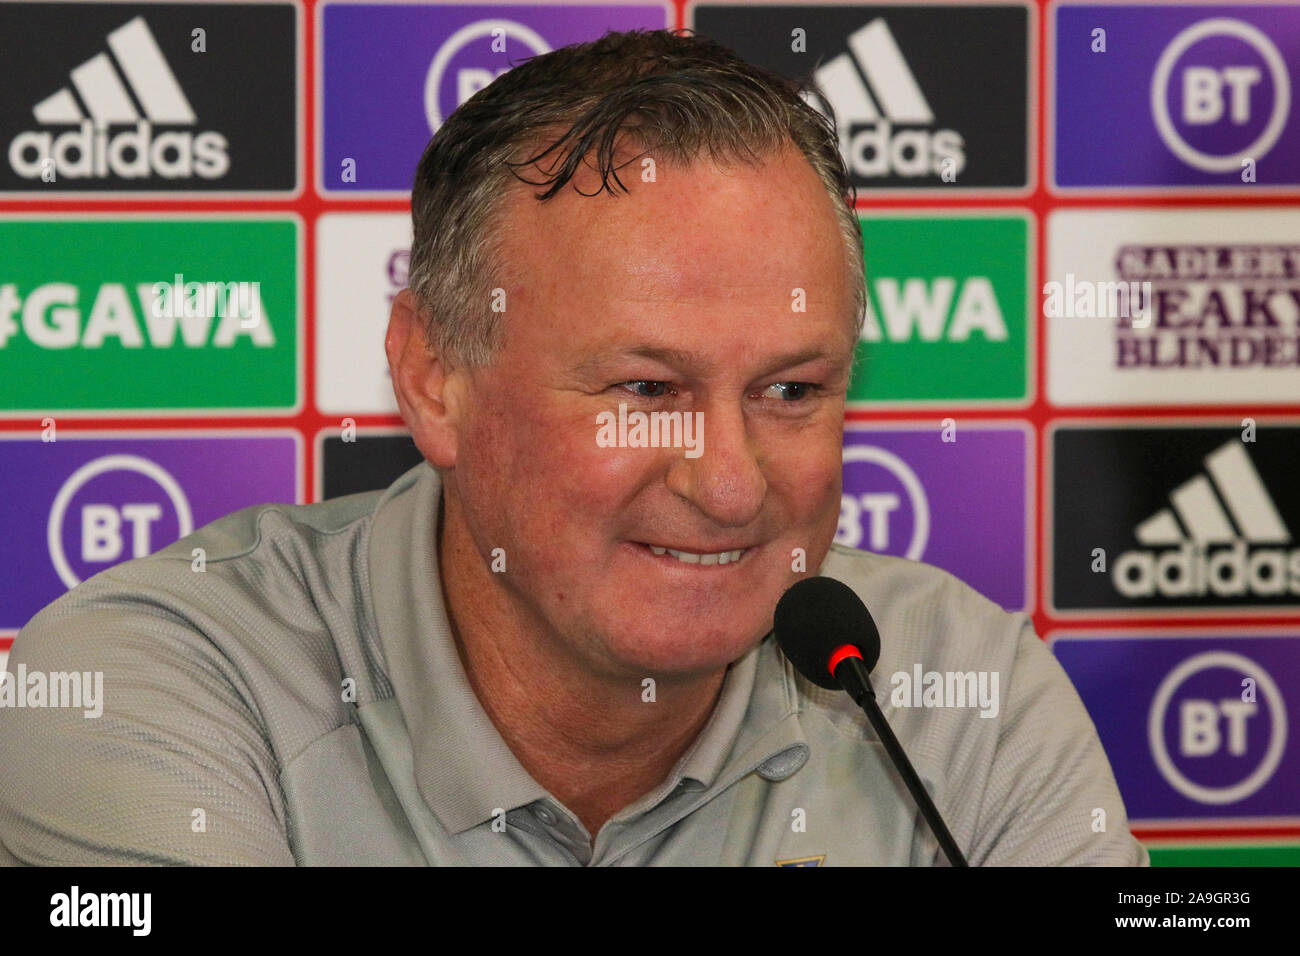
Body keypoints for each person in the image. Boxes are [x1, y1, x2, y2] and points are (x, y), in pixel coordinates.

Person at [0, 29, 1146, 866]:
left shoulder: (960, 693)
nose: (733, 480)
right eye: (645, 386)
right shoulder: (155, 688)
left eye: (791, 388)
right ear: (432, 373)